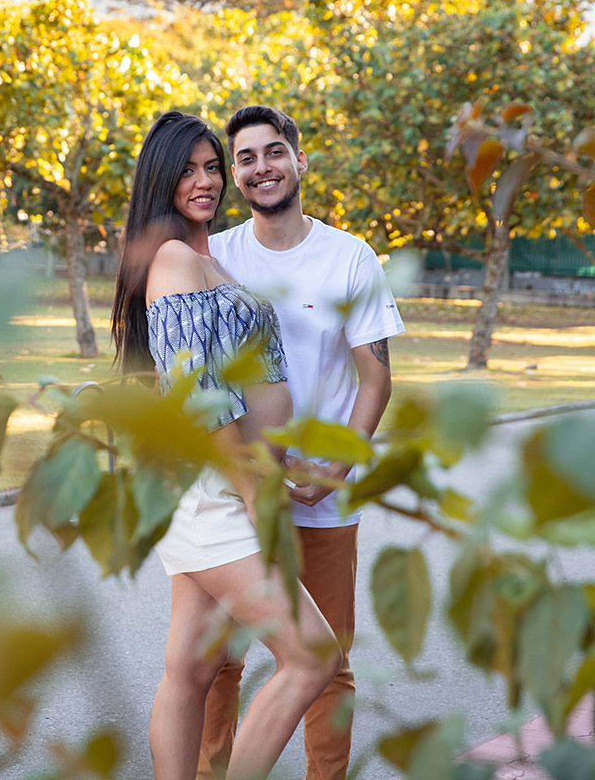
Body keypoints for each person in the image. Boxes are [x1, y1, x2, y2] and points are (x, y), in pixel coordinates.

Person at [112, 110, 341, 780]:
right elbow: (196, 394)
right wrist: (251, 491)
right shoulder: (177, 260)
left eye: (213, 167)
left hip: (226, 482)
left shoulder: (201, 256)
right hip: (217, 493)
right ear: (161, 179)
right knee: (311, 657)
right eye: (188, 169)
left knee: (188, 667)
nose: (206, 180)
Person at [198, 105, 405, 780]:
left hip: (320, 499)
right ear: (236, 175)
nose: (262, 168)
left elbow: (376, 378)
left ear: (299, 161)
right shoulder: (215, 254)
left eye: (273, 152)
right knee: (219, 660)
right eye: (246, 159)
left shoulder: (350, 257)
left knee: (328, 666)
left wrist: (335, 469)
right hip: (238, 496)